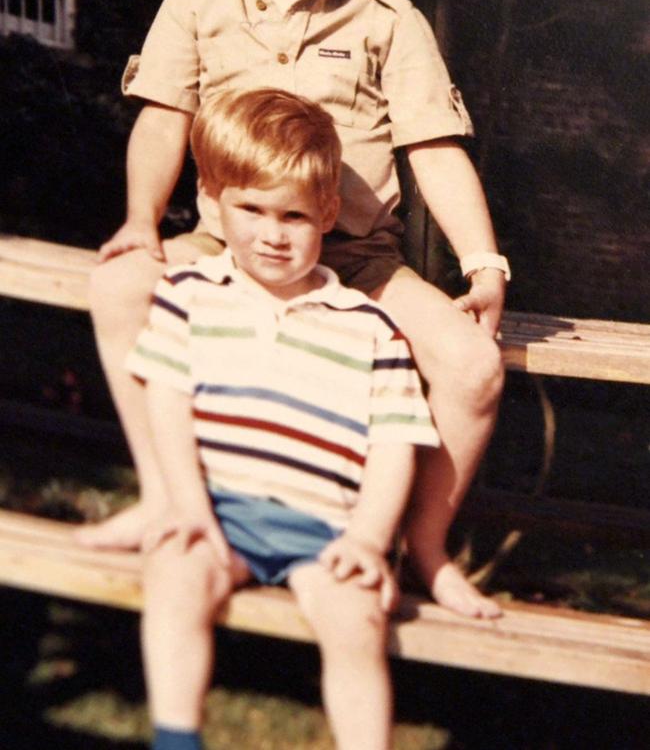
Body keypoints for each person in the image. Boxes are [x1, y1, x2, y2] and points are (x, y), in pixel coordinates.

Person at [77, 0, 508, 619]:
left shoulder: (386, 19)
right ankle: (169, 499)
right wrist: (138, 222)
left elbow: (436, 148)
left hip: (358, 262)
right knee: (119, 284)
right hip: (230, 250)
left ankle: (421, 546)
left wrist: (484, 263)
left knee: (474, 368)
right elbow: (162, 122)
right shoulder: (198, 2)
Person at [129, 88, 440, 750]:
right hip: (221, 512)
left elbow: (393, 447)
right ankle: (175, 739)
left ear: (328, 213)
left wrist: (366, 539)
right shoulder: (190, 296)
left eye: (294, 215)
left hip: (324, 528)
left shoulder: (371, 328)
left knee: (356, 626)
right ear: (213, 203)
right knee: (174, 584)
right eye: (251, 209)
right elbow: (167, 403)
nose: (272, 233)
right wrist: (189, 508)